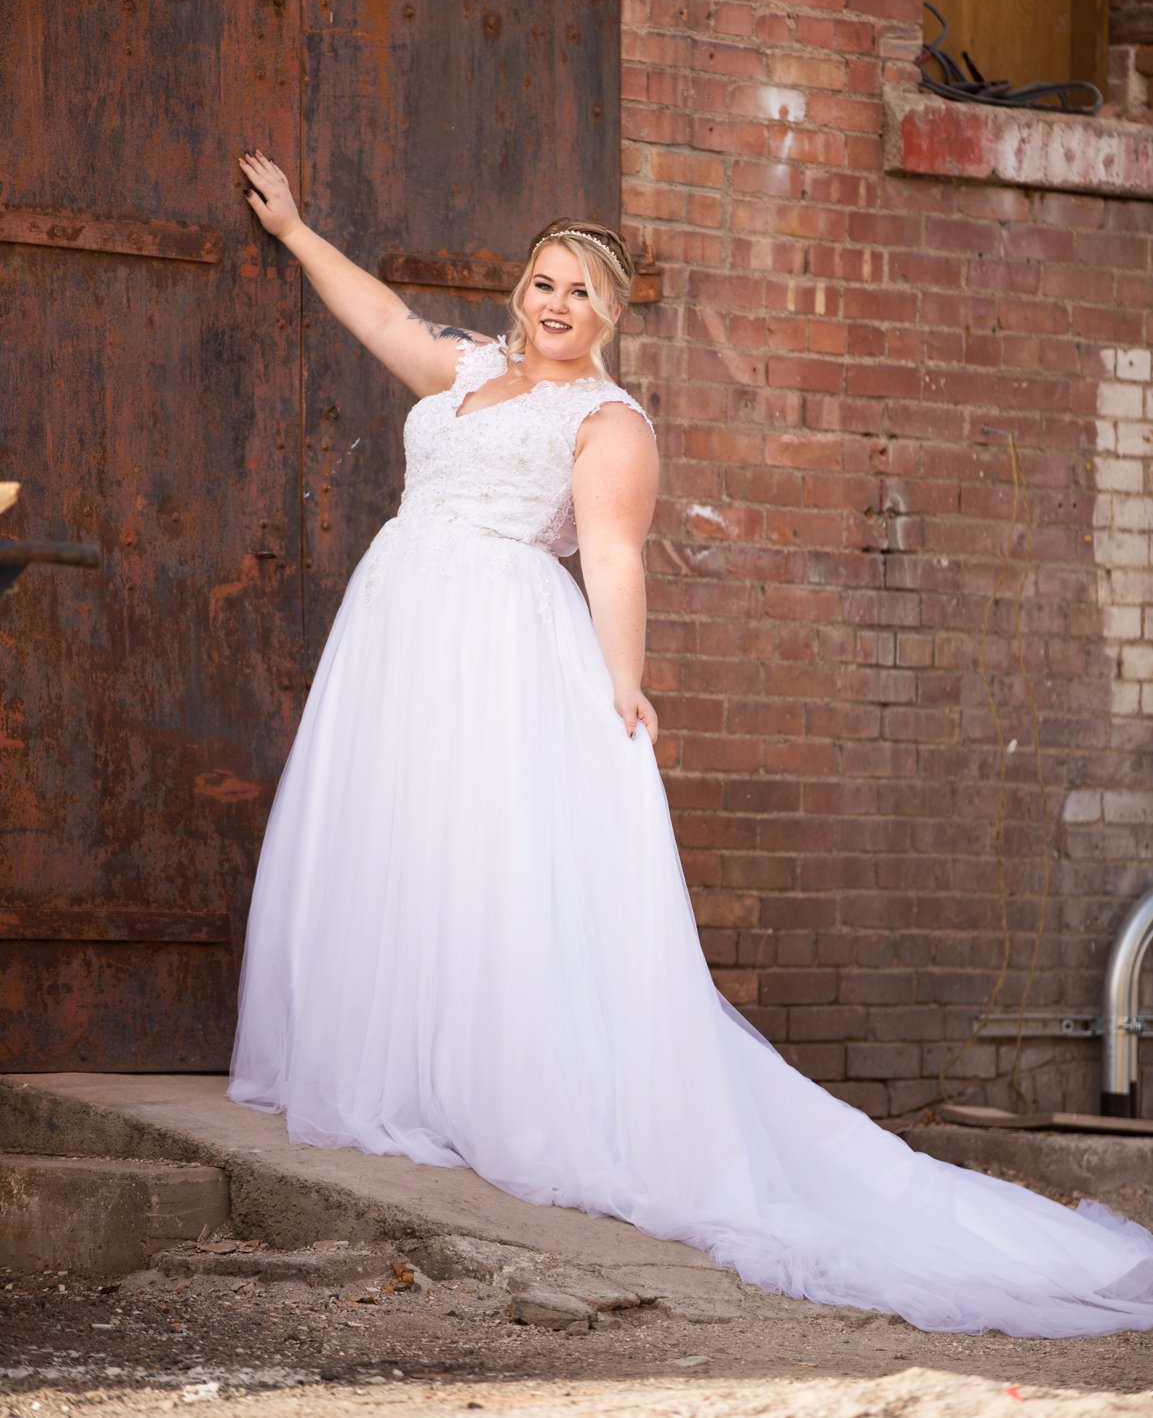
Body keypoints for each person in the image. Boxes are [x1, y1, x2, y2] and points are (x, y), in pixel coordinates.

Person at [229, 149, 1153, 1339]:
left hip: (499, 641)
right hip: (400, 625)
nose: (554, 305)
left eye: (580, 293)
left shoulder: (606, 420)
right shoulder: (467, 373)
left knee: (491, 851)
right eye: (543, 282)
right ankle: (403, 1068)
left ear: (611, 314)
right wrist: (299, 231)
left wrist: (625, 683)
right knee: (407, 841)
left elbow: (612, 554)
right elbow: (385, 316)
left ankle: (513, 1087)